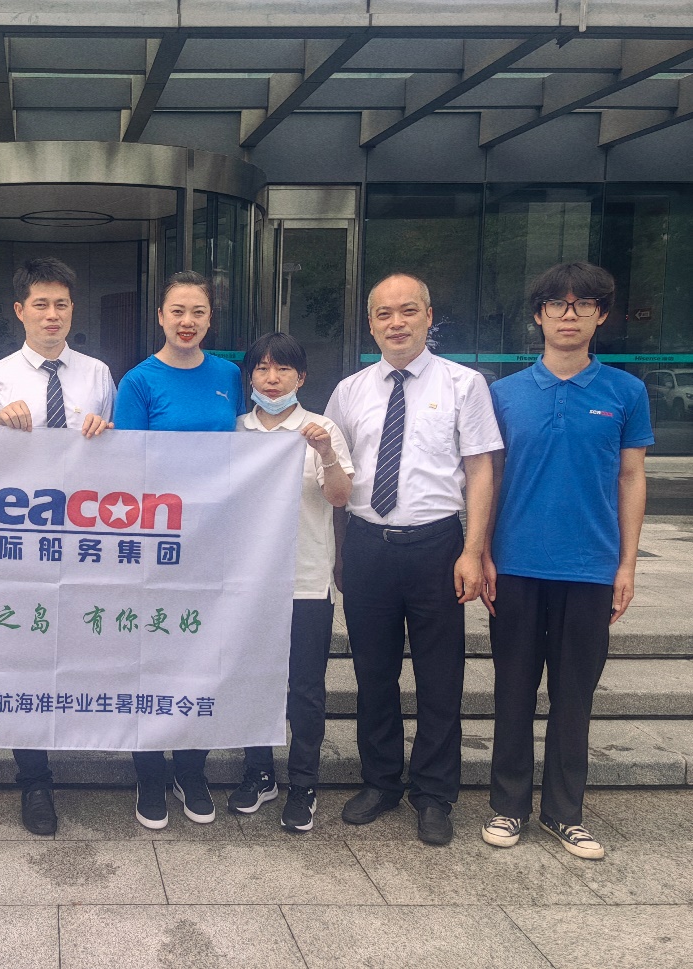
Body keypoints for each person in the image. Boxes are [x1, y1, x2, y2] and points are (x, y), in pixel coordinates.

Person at [481, 262, 651, 860]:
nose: (568, 315)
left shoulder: (626, 392)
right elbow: (489, 476)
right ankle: (507, 806)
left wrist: (627, 564)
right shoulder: (504, 395)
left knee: (574, 697)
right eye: (556, 304)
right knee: (513, 693)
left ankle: (564, 814)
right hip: (517, 566)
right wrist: (482, 551)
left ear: (601, 316)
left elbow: (631, 477)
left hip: (589, 568)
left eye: (583, 305)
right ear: (539, 316)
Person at [324, 272, 501, 846]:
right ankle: (379, 782)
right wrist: (340, 551)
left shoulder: (464, 384)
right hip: (367, 545)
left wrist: (473, 549)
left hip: (436, 546)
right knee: (373, 673)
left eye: (407, 311)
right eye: (384, 313)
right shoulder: (349, 391)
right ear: (370, 323)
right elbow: (335, 475)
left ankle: (434, 794)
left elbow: (480, 469)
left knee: (440, 677)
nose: (396, 323)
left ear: (428, 316)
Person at [0, 256, 115, 836]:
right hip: (20, 539)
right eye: (40, 305)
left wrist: (107, 434)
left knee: (81, 645)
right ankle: (34, 779)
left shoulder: (99, 375)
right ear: (19, 311)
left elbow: (122, 461)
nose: (52, 315)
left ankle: (87, 743)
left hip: (82, 537)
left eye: (61, 305)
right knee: (24, 655)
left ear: (72, 311)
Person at [113, 269, 242, 829]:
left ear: (210, 319)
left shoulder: (229, 375)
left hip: (215, 542)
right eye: (177, 311)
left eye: (198, 312)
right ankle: (149, 775)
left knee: (201, 657)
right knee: (149, 659)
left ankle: (192, 770)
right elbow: (126, 467)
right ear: (161, 317)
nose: (187, 322)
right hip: (155, 543)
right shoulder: (138, 382)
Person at [230, 332, 353, 831]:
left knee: (305, 687)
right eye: (262, 368)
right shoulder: (235, 430)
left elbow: (340, 497)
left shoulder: (321, 428)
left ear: (300, 377)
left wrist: (325, 453)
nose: (272, 378)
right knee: (252, 680)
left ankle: (303, 782)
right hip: (248, 582)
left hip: (305, 579)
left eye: (282, 369)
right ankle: (258, 772)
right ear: (250, 377)